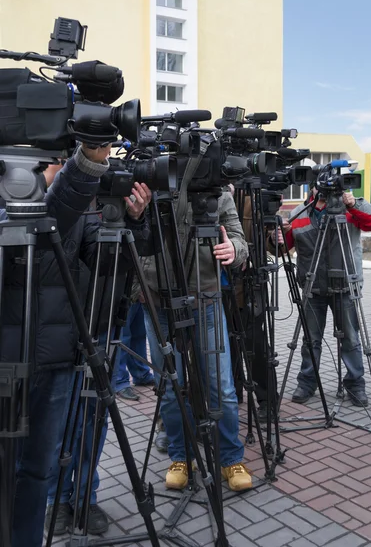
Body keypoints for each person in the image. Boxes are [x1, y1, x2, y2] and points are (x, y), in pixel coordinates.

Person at [0, 143, 152, 547]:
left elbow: (107, 263)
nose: (55, 163)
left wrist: (130, 222)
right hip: (11, 363)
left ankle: (61, 511)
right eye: (51, 158)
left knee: (41, 464)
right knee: (12, 467)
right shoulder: (8, 195)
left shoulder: (81, 209)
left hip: (63, 354)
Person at [141, 190, 252, 492]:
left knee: (221, 385)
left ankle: (230, 458)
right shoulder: (154, 178)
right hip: (157, 297)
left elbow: (239, 238)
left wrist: (235, 250)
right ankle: (181, 456)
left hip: (206, 297)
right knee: (169, 385)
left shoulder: (217, 189)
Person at [271, 187, 371, 407]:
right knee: (310, 340)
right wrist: (276, 236)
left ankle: (354, 384)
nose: (327, 188)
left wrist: (354, 205)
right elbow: (281, 247)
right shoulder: (300, 213)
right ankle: (307, 383)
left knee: (350, 339)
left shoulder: (351, 207)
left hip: (345, 285)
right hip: (312, 287)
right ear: (313, 186)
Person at [116, 301, 154, 401]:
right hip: (123, 293)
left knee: (139, 334)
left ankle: (141, 373)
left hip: (138, 292)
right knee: (122, 337)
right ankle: (120, 381)